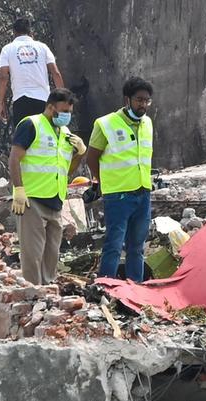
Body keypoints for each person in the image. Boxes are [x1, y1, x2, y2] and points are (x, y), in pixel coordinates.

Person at [8, 88, 86, 285]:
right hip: (31, 199)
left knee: (51, 254)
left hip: (56, 200)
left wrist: (79, 153)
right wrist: (18, 189)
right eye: (63, 111)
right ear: (51, 107)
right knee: (32, 254)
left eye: (70, 111)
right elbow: (15, 158)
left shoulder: (65, 133)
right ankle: (32, 295)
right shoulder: (31, 124)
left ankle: (48, 294)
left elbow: (67, 170)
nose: (66, 116)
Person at [86, 77, 154, 283]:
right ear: (127, 99)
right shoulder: (105, 123)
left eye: (147, 101)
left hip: (142, 193)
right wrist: (102, 182)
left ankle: (136, 290)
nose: (143, 105)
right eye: (139, 100)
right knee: (114, 245)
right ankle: (105, 287)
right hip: (117, 195)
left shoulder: (147, 123)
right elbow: (91, 157)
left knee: (137, 247)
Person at [0, 18, 65, 130]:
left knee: (23, 142)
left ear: (14, 32)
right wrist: (62, 100)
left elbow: (3, 77)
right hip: (43, 101)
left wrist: (0, 103)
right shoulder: (43, 47)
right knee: (45, 138)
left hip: (21, 101)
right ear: (31, 32)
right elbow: (56, 73)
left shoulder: (7, 49)